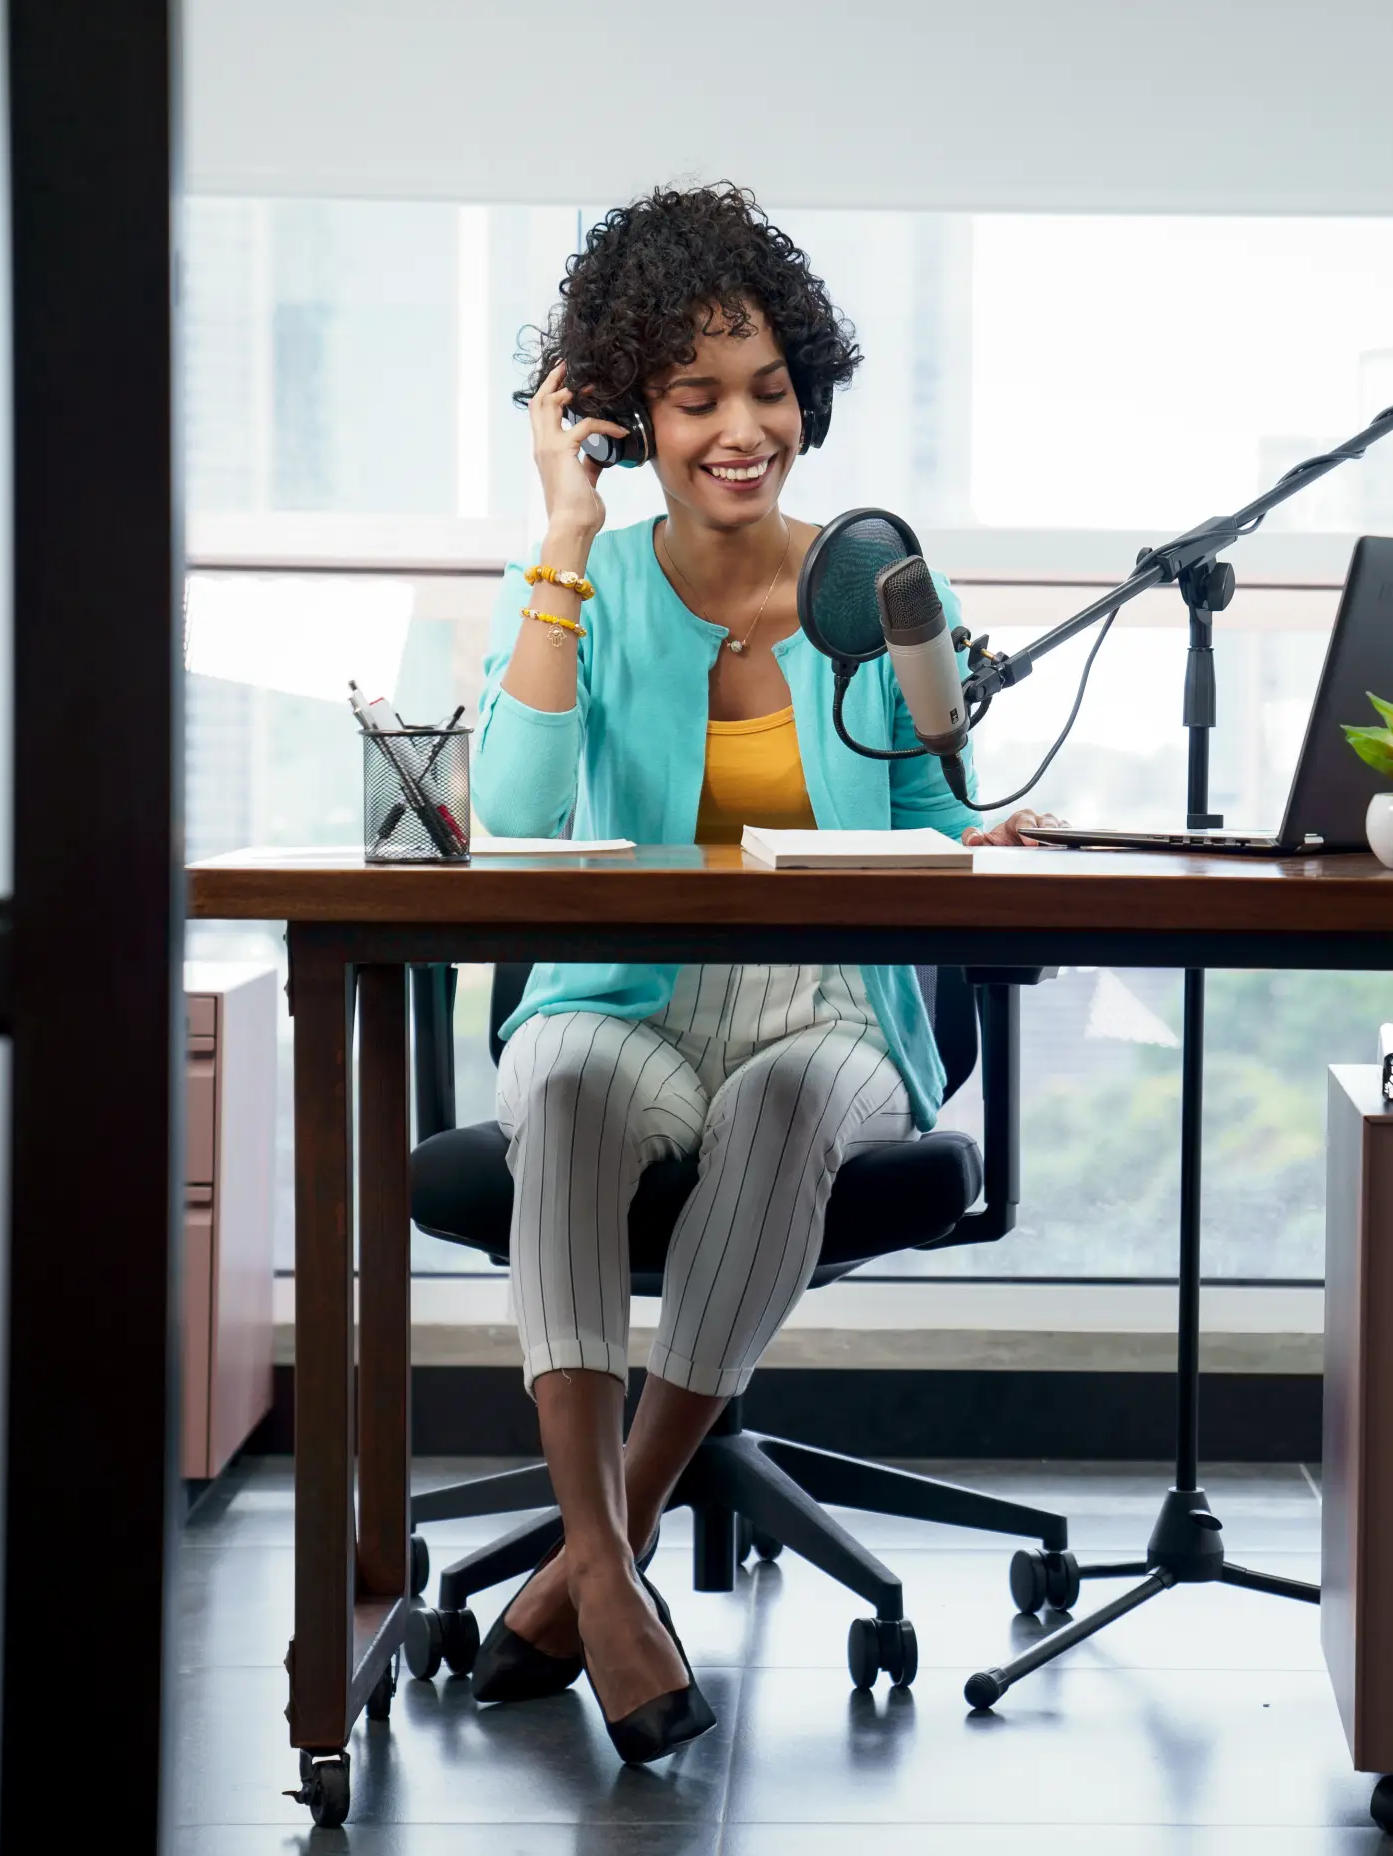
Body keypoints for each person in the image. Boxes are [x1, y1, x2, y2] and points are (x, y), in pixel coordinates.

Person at [466, 183, 1053, 1763]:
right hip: (628, 996)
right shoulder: (585, 586)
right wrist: (564, 536)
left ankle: (592, 1562)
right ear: (623, 416)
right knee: (569, 1087)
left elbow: (937, 810)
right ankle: (604, 1573)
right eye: (697, 395)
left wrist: (995, 829)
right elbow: (511, 821)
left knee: (791, 1104)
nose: (745, 427)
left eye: (772, 388)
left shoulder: (877, 582)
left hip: (831, 999)